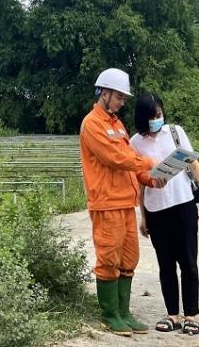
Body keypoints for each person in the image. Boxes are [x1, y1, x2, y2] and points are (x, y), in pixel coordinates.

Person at [79, 68, 166, 336]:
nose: (122, 102)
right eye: (118, 97)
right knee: (108, 258)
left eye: (124, 98)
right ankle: (109, 315)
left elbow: (129, 162)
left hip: (125, 202)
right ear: (104, 92)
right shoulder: (92, 124)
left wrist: (152, 179)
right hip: (106, 203)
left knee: (129, 258)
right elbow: (116, 159)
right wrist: (151, 163)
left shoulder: (116, 124)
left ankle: (124, 312)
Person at [129, 92, 199, 336]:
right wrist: (143, 215)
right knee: (165, 265)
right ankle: (172, 314)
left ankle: (191, 315)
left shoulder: (174, 132)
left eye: (160, 114)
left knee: (188, 262)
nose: (158, 119)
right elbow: (141, 182)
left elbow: (193, 163)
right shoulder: (135, 143)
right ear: (143, 118)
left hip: (183, 204)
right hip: (156, 210)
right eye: (153, 116)